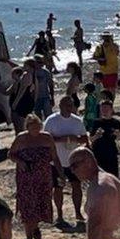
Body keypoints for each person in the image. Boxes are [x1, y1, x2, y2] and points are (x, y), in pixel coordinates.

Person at [8, 114, 60, 239]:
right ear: (28, 127)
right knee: (27, 205)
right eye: (33, 128)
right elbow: (10, 154)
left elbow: (55, 157)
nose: (36, 130)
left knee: (40, 201)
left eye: (38, 127)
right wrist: (20, 161)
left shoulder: (46, 138)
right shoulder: (21, 138)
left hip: (43, 177)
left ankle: (35, 226)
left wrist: (61, 173)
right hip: (26, 177)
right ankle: (29, 238)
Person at [43, 96, 87, 225]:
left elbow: (84, 139)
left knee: (76, 186)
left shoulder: (77, 121)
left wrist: (75, 139)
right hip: (57, 161)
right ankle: (60, 215)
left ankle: (78, 212)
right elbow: (46, 139)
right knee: (58, 188)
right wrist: (61, 139)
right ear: (60, 105)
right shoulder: (51, 120)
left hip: (74, 160)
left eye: (71, 105)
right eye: (66, 105)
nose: (69, 108)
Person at [88, 95, 120, 177]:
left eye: (106, 108)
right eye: (102, 108)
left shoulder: (116, 123)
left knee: (113, 177)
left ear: (111, 109)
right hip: (98, 153)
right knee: (98, 177)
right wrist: (97, 135)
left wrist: (118, 135)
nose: (104, 110)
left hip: (111, 153)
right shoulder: (96, 122)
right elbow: (91, 139)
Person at [7, 65, 34, 133]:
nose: (11, 75)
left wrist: (15, 103)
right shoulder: (15, 83)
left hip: (21, 106)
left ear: (17, 74)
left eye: (13, 74)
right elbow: (8, 92)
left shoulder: (23, 82)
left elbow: (21, 93)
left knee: (21, 125)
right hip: (16, 106)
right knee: (17, 124)